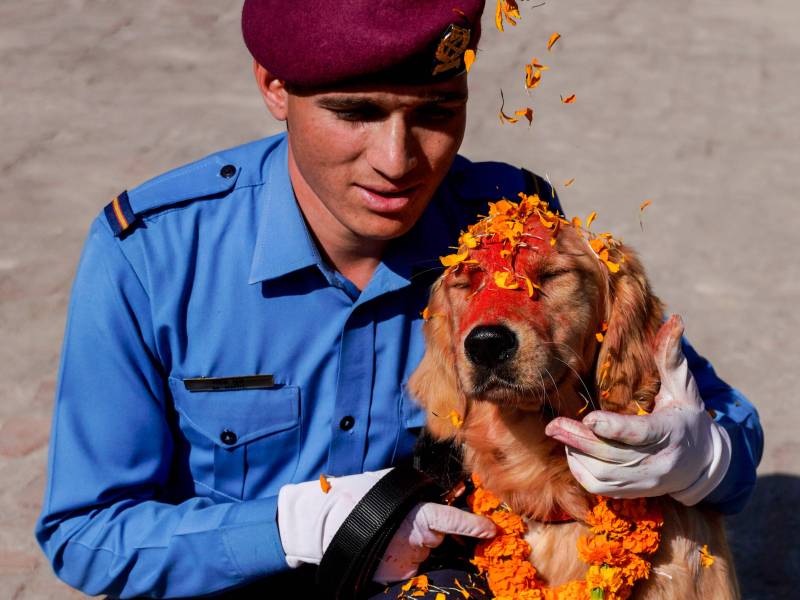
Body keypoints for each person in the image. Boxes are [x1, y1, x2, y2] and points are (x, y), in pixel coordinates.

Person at [35, 1, 763, 598]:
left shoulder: (500, 220)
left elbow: (712, 417)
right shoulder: (156, 254)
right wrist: (295, 528)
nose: (398, 160)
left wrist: (697, 456)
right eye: (356, 112)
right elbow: (86, 533)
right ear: (273, 87)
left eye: (437, 111)